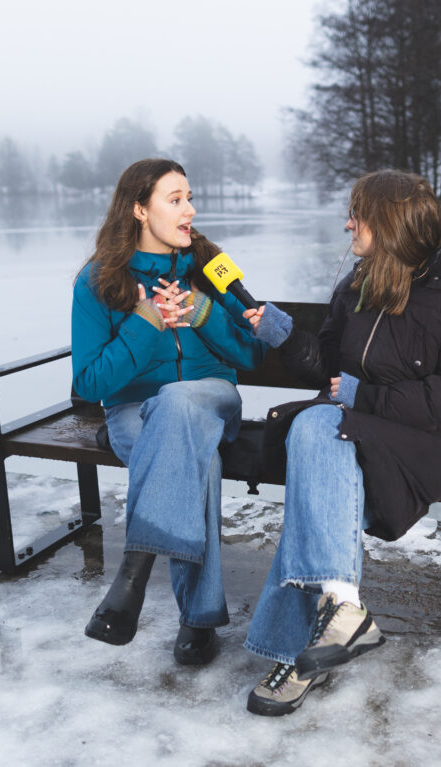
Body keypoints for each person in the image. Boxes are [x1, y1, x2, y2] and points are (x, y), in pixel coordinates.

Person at [241, 169, 441, 715]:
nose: (347, 223)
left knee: (318, 442)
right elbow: (333, 370)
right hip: (360, 424)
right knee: (316, 429)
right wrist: (285, 335)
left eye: (357, 214)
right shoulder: (358, 283)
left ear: (388, 222)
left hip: (435, 439)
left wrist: (369, 398)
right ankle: (341, 608)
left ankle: (310, 640)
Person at [72, 158, 264, 666]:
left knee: (179, 403)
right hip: (134, 410)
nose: (190, 210)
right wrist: (144, 322)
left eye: (189, 197)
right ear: (138, 210)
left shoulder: (212, 268)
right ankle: (198, 618)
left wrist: (204, 314)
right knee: (195, 456)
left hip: (211, 398)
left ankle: (132, 576)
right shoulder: (98, 281)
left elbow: (253, 354)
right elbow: (89, 383)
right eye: (174, 199)